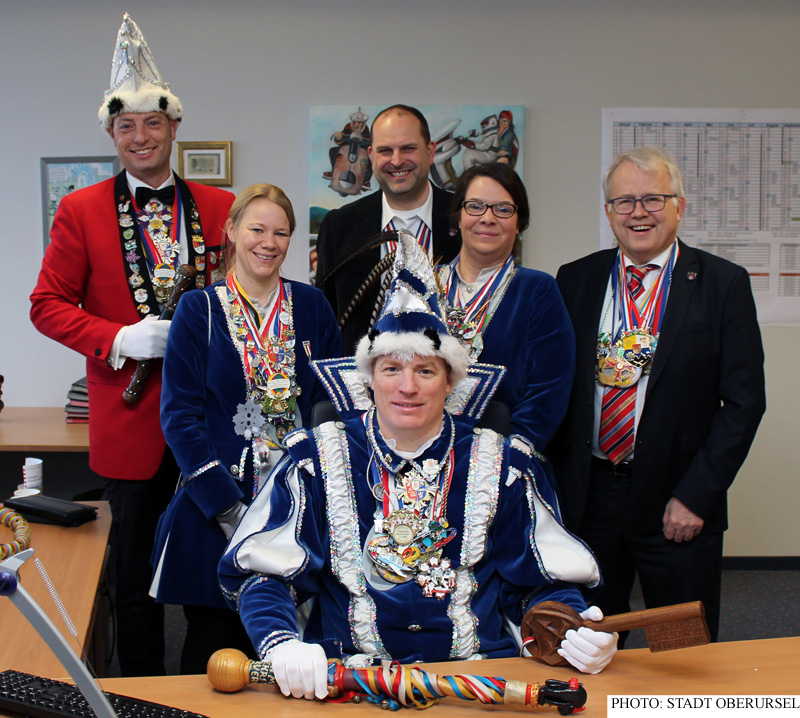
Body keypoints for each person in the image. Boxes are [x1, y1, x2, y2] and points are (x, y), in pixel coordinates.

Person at [219, 233, 617, 701]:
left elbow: (539, 583)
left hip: (476, 688)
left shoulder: (503, 463)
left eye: (425, 370)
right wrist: (281, 644)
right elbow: (265, 577)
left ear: (449, 381)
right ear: (368, 380)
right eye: (391, 369)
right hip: (350, 685)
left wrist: (569, 627)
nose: (407, 387)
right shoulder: (314, 461)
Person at [29, 14, 234, 676]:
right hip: (129, 423)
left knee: (212, 573)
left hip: (211, 424)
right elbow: (46, 306)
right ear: (111, 133)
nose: (140, 137)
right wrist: (118, 336)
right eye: (126, 126)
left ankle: (213, 690)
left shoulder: (222, 205)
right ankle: (141, 696)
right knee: (134, 581)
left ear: (175, 126)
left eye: (153, 123)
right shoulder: (81, 209)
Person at [552, 145, 766, 644]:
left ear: (679, 206)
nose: (638, 212)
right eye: (624, 201)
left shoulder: (722, 283)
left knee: (681, 649)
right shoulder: (576, 279)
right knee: (587, 642)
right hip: (590, 497)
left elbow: (743, 403)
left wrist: (697, 495)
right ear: (608, 213)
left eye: (653, 198)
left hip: (678, 501)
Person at [150, 185, 343, 674]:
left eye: (281, 232)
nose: (269, 242)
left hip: (295, 502)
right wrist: (227, 508)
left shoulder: (313, 306)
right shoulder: (200, 309)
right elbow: (179, 416)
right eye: (257, 229)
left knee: (291, 643)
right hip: (217, 502)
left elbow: (331, 402)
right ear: (232, 231)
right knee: (212, 648)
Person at [437, 163, 574, 490]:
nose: (488, 217)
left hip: (504, 468)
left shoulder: (538, 290)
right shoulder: (423, 284)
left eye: (503, 209)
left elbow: (548, 390)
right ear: (458, 217)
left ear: (519, 223)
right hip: (423, 458)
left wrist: (509, 456)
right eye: (475, 206)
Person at [315, 104, 461, 353]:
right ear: (371, 155)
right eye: (385, 150)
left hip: (453, 380)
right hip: (363, 383)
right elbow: (325, 319)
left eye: (408, 148)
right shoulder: (339, 226)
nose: (396, 160)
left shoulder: (464, 218)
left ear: (430, 151)